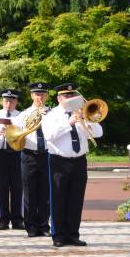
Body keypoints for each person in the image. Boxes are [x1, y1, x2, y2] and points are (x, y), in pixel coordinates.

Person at [41, 83, 102, 248]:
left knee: (76, 199)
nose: (70, 98)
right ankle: (58, 235)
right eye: (66, 96)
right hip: (59, 161)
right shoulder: (51, 115)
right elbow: (49, 136)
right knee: (58, 199)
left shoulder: (81, 112)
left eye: (72, 95)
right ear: (59, 98)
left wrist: (88, 120)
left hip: (79, 160)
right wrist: (69, 123)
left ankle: (73, 234)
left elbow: (98, 133)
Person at [14, 82, 51, 237]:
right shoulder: (23, 115)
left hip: (47, 155)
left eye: (42, 94)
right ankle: (31, 227)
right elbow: (15, 136)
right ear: (31, 95)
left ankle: (44, 225)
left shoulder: (53, 113)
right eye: (36, 94)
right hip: (29, 154)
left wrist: (46, 118)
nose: (39, 97)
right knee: (29, 192)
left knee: (45, 192)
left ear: (47, 96)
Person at [0, 89, 24, 231]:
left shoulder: (21, 116)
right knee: (2, 187)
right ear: (2, 101)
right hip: (1, 153)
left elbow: (24, 136)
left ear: (16, 102)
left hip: (16, 153)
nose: (8, 103)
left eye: (11, 101)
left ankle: (17, 220)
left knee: (17, 187)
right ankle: (3, 220)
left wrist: (13, 133)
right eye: (6, 101)